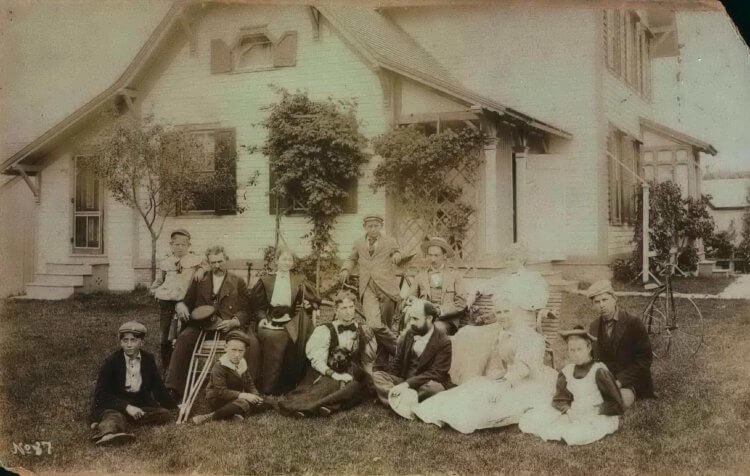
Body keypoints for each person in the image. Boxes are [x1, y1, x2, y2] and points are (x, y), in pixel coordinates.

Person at [413, 296, 557, 433]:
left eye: (506, 311)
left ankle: (457, 417)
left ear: (516, 312)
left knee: (489, 403)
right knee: (473, 388)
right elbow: (502, 363)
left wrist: (505, 384)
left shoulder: (528, 336)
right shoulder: (503, 333)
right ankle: (436, 412)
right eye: (498, 312)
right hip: (510, 378)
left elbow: (523, 367)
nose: (502, 316)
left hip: (530, 381)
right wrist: (496, 378)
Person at [165, 246, 259, 399]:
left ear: (226, 260)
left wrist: (234, 321)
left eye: (220, 261)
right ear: (208, 263)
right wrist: (180, 304)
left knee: (252, 342)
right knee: (183, 339)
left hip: (227, 325)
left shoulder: (237, 281)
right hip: (202, 325)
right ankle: (173, 388)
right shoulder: (200, 279)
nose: (217, 266)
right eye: (213, 262)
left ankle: (251, 386)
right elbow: (187, 301)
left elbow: (246, 309)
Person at [278, 290, 379, 417]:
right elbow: (317, 361)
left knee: (355, 388)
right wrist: (335, 375)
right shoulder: (325, 330)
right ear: (336, 311)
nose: (348, 311)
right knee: (330, 385)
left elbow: (367, 361)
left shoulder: (363, 330)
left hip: (351, 373)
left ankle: (324, 407)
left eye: (351, 307)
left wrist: (369, 380)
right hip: (325, 371)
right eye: (343, 308)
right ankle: (305, 407)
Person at [519, 327, 624, 445]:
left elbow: (616, 403)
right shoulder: (567, 372)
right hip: (575, 412)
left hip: (598, 415)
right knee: (534, 419)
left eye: (579, 349)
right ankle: (563, 429)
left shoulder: (598, 371)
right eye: (572, 350)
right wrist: (569, 411)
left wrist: (595, 410)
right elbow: (560, 399)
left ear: (589, 348)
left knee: (575, 433)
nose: (576, 354)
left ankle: (571, 433)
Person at [89, 321, 176, 445]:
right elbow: (101, 394)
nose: (129, 345)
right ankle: (108, 434)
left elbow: (158, 387)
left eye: (133, 340)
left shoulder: (148, 359)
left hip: (137, 403)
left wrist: (174, 406)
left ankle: (124, 422)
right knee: (114, 415)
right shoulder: (112, 361)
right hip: (114, 403)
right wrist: (126, 407)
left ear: (141, 342)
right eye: (125, 340)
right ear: (120, 342)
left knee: (164, 414)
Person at [250, 246, 319, 395]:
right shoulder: (266, 280)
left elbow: (313, 299)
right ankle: (270, 387)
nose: (287, 262)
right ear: (276, 261)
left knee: (299, 337)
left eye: (290, 259)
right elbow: (258, 307)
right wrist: (262, 318)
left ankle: (292, 385)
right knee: (274, 337)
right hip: (269, 319)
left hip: (291, 319)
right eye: (284, 259)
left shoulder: (298, 280)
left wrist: (309, 304)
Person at [372, 299, 452, 419]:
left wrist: (407, 385)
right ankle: (407, 402)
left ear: (429, 319)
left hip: (425, 384)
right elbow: (398, 361)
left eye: (415, 319)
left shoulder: (443, 341)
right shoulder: (410, 333)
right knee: (378, 376)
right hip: (405, 381)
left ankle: (395, 400)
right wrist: (393, 380)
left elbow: (437, 373)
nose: (411, 323)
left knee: (435, 389)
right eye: (410, 318)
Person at [586, 279, 655, 407]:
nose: (601, 305)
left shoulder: (633, 323)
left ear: (614, 299)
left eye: (605, 300)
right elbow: (594, 359)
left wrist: (619, 381)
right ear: (593, 305)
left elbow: (644, 360)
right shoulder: (594, 326)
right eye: (597, 302)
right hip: (607, 379)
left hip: (631, 380)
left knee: (618, 402)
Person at [150, 228, 207, 369]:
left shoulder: (195, 260)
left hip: (185, 302)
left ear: (189, 246)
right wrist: (154, 292)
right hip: (166, 301)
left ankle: (182, 364)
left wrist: (201, 270)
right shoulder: (166, 262)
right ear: (171, 245)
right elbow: (159, 281)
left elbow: (207, 266)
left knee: (182, 333)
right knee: (165, 335)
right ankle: (166, 366)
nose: (180, 248)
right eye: (176, 244)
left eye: (183, 245)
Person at [339, 214, 402, 330]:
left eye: (376, 226)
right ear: (364, 227)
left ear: (381, 226)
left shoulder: (389, 241)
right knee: (372, 323)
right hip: (367, 285)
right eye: (370, 226)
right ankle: (379, 339)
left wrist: (397, 255)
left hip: (386, 286)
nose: (373, 229)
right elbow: (351, 259)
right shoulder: (359, 243)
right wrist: (345, 269)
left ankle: (384, 344)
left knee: (386, 324)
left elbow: (396, 252)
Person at [191, 331, 267, 424]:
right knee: (243, 402)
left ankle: (235, 414)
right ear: (226, 348)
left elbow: (249, 384)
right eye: (233, 350)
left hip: (234, 397)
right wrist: (245, 395)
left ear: (245, 350)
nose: (237, 354)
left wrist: (256, 396)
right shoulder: (220, 366)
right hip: (218, 398)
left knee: (263, 403)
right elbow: (221, 392)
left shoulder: (242, 363)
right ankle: (211, 416)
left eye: (241, 351)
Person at [408, 236, 467, 335]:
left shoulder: (455, 276)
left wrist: (440, 311)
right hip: (423, 317)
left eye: (436, 255)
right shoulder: (420, 276)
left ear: (444, 256)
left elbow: (461, 304)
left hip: (446, 320)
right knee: (408, 332)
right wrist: (416, 302)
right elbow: (410, 297)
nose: (432, 259)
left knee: (435, 330)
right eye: (430, 255)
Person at [493, 243, 549, 327]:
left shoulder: (533, 277)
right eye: (506, 259)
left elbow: (540, 301)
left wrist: (514, 301)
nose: (508, 263)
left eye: (512, 259)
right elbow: (493, 295)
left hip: (524, 321)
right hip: (504, 321)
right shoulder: (504, 279)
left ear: (521, 260)